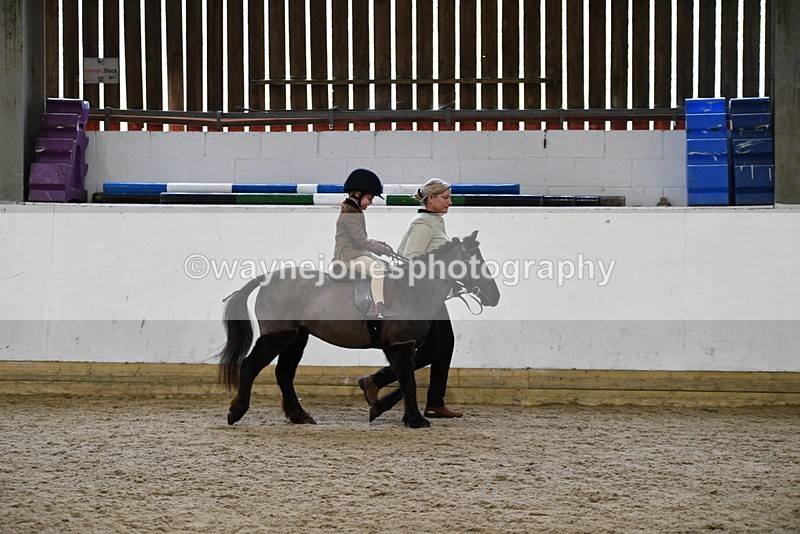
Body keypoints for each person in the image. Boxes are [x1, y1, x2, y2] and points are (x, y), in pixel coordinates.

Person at [358, 178, 463, 418]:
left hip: (431, 295)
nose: (450, 202)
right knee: (433, 350)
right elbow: (412, 261)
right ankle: (377, 381)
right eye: (446, 197)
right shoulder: (423, 224)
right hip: (420, 296)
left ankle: (434, 401)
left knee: (444, 347)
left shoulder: (434, 222)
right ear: (431, 198)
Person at [333, 168, 395, 320]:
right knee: (378, 269)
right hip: (347, 256)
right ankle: (378, 307)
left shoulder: (354, 210)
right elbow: (361, 240)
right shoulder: (351, 212)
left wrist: (382, 245)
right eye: (370, 198)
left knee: (385, 266)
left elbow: (362, 239)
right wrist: (381, 248)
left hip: (356, 254)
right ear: (358, 194)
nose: (371, 202)